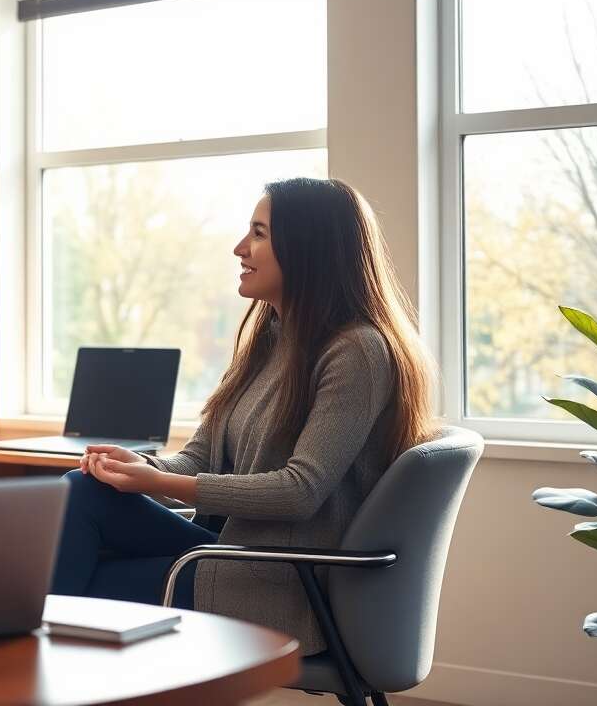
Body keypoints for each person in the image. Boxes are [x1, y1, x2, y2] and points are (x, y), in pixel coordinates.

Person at [50, 177, 436, 654]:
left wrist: (155, 484)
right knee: (82, 490)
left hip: (277, 580)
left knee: (65, 590)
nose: (240, 248)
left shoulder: (357, 352)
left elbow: (300, 492)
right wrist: (141, 469)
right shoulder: (268, 342)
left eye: (259, 233)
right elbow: (197, 460)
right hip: (227, 552)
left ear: (307, 248)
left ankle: (11, 680)